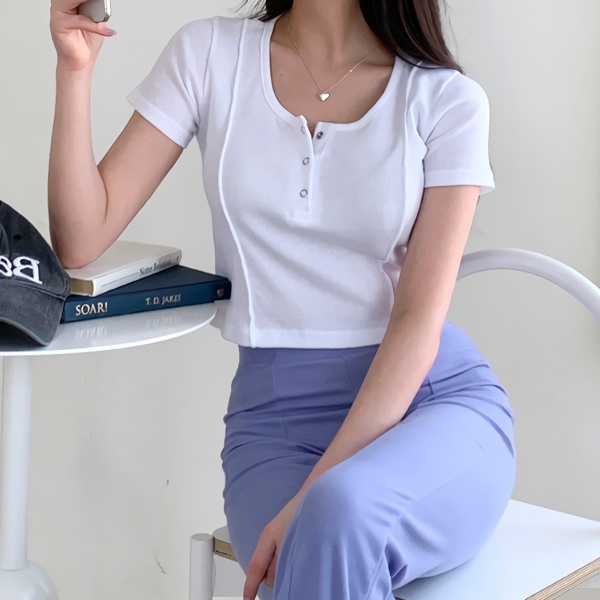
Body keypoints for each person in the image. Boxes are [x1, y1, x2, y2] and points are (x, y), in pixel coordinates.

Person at [48, 1, 517, 599]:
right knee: (322, 544)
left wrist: (318, 494)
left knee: (337, 517)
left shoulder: (445, 99)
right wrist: (75, 70)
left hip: (428, 407)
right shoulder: (210, 55)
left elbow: (418, 320)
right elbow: (81, 238)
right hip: (274, 427)